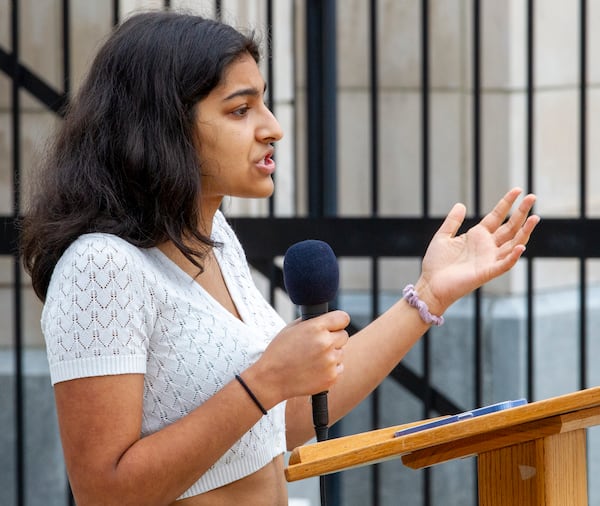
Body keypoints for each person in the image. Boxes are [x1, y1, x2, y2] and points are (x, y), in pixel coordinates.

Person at [20, 10, 539, 506]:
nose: (273, 128)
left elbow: (282, 419)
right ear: (164, 125)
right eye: (240, 109)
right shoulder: (101, 268)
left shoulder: (214, 239)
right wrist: (266, 379)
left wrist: (428, 295)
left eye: (263, 103)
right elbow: (104, 493)